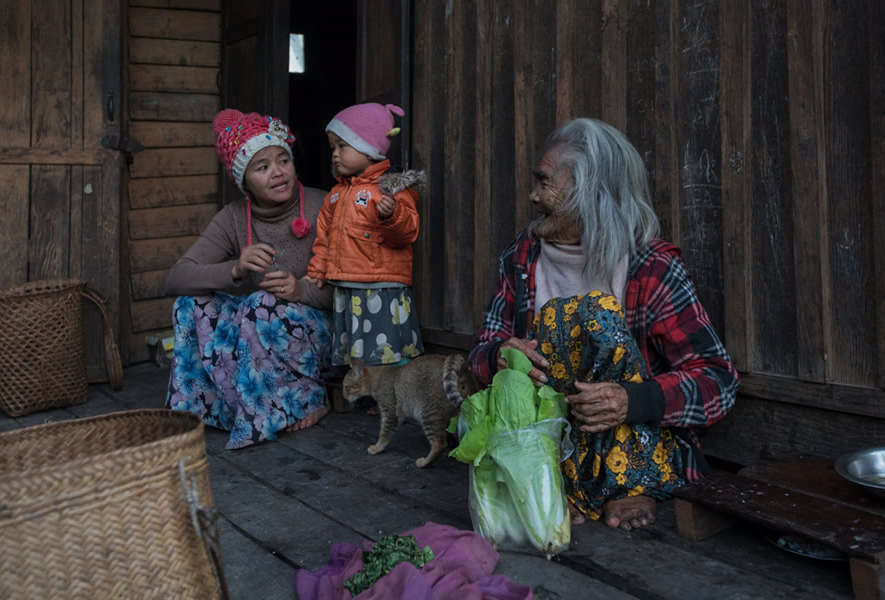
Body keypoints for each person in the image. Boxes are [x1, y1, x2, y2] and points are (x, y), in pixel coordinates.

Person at [468, 118, 739, 531]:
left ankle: (630, 482)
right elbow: (479, 352)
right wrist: (499, 355)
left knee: (597, 316)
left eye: (545, 183)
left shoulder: (652, 268)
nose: (533, 196)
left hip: (634, 440)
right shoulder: (522, 257)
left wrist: (633, 400)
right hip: (548, 439)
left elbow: (718, 382)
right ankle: (559, 480)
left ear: (590, 192)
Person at [165, 108, 333, 449]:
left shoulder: (325, 205)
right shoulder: (232, 218)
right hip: (260, 333)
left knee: (261, 304)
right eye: (263, 167)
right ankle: (216, 410)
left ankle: (308, 399)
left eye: (283, 160)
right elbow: (178, 277)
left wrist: (301, 290)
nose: (278, 173)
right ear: (244, 182)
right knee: (189, 304)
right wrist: (235, 270)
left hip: (322, 335)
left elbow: (350, 291)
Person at [305, 102, 425, 369]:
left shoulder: (390, 188)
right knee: (359, 352)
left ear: (369, 150)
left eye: (342, 146)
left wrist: (392, 215)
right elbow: (324, 239)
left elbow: (407, 233)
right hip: (347, 284)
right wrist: (317, 271)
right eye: (332, 147)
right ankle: (369, 396)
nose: (335, 154)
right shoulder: (335, 194)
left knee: (385, 349)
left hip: (380, 286)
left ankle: (392, 397)